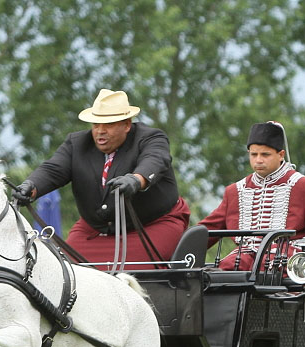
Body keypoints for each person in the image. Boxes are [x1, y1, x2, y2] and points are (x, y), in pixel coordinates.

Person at [13, 89, 190, 270]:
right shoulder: (77, 143)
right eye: (96, 124)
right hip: (94, 230)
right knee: (64, 272)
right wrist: (30, 187)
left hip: (151, 226)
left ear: (127, 124)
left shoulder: (151, 138)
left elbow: (155, 160)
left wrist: (136, 180)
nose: (100, 131)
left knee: (134, 275)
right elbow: (52, 170)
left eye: (108, 125)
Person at [197, 121, 305, 273]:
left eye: (265, 154)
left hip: (286, 261)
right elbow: (209, 228)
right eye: (254, 154)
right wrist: (180, 249)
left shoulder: (303, 186)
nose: (258, 160)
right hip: (244, 259)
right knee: (220, 273)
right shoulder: (235, 190)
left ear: (281, 155)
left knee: (269, 264)